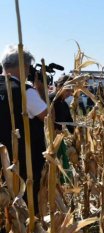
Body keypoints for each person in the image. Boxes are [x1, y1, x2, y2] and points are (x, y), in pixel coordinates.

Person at [0, 45, 47, 215]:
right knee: (25, 205)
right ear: (24, 66)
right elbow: (49, 119)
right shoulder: (25, 92)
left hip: (2, 160)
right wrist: (41, 89)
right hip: (23, 163)